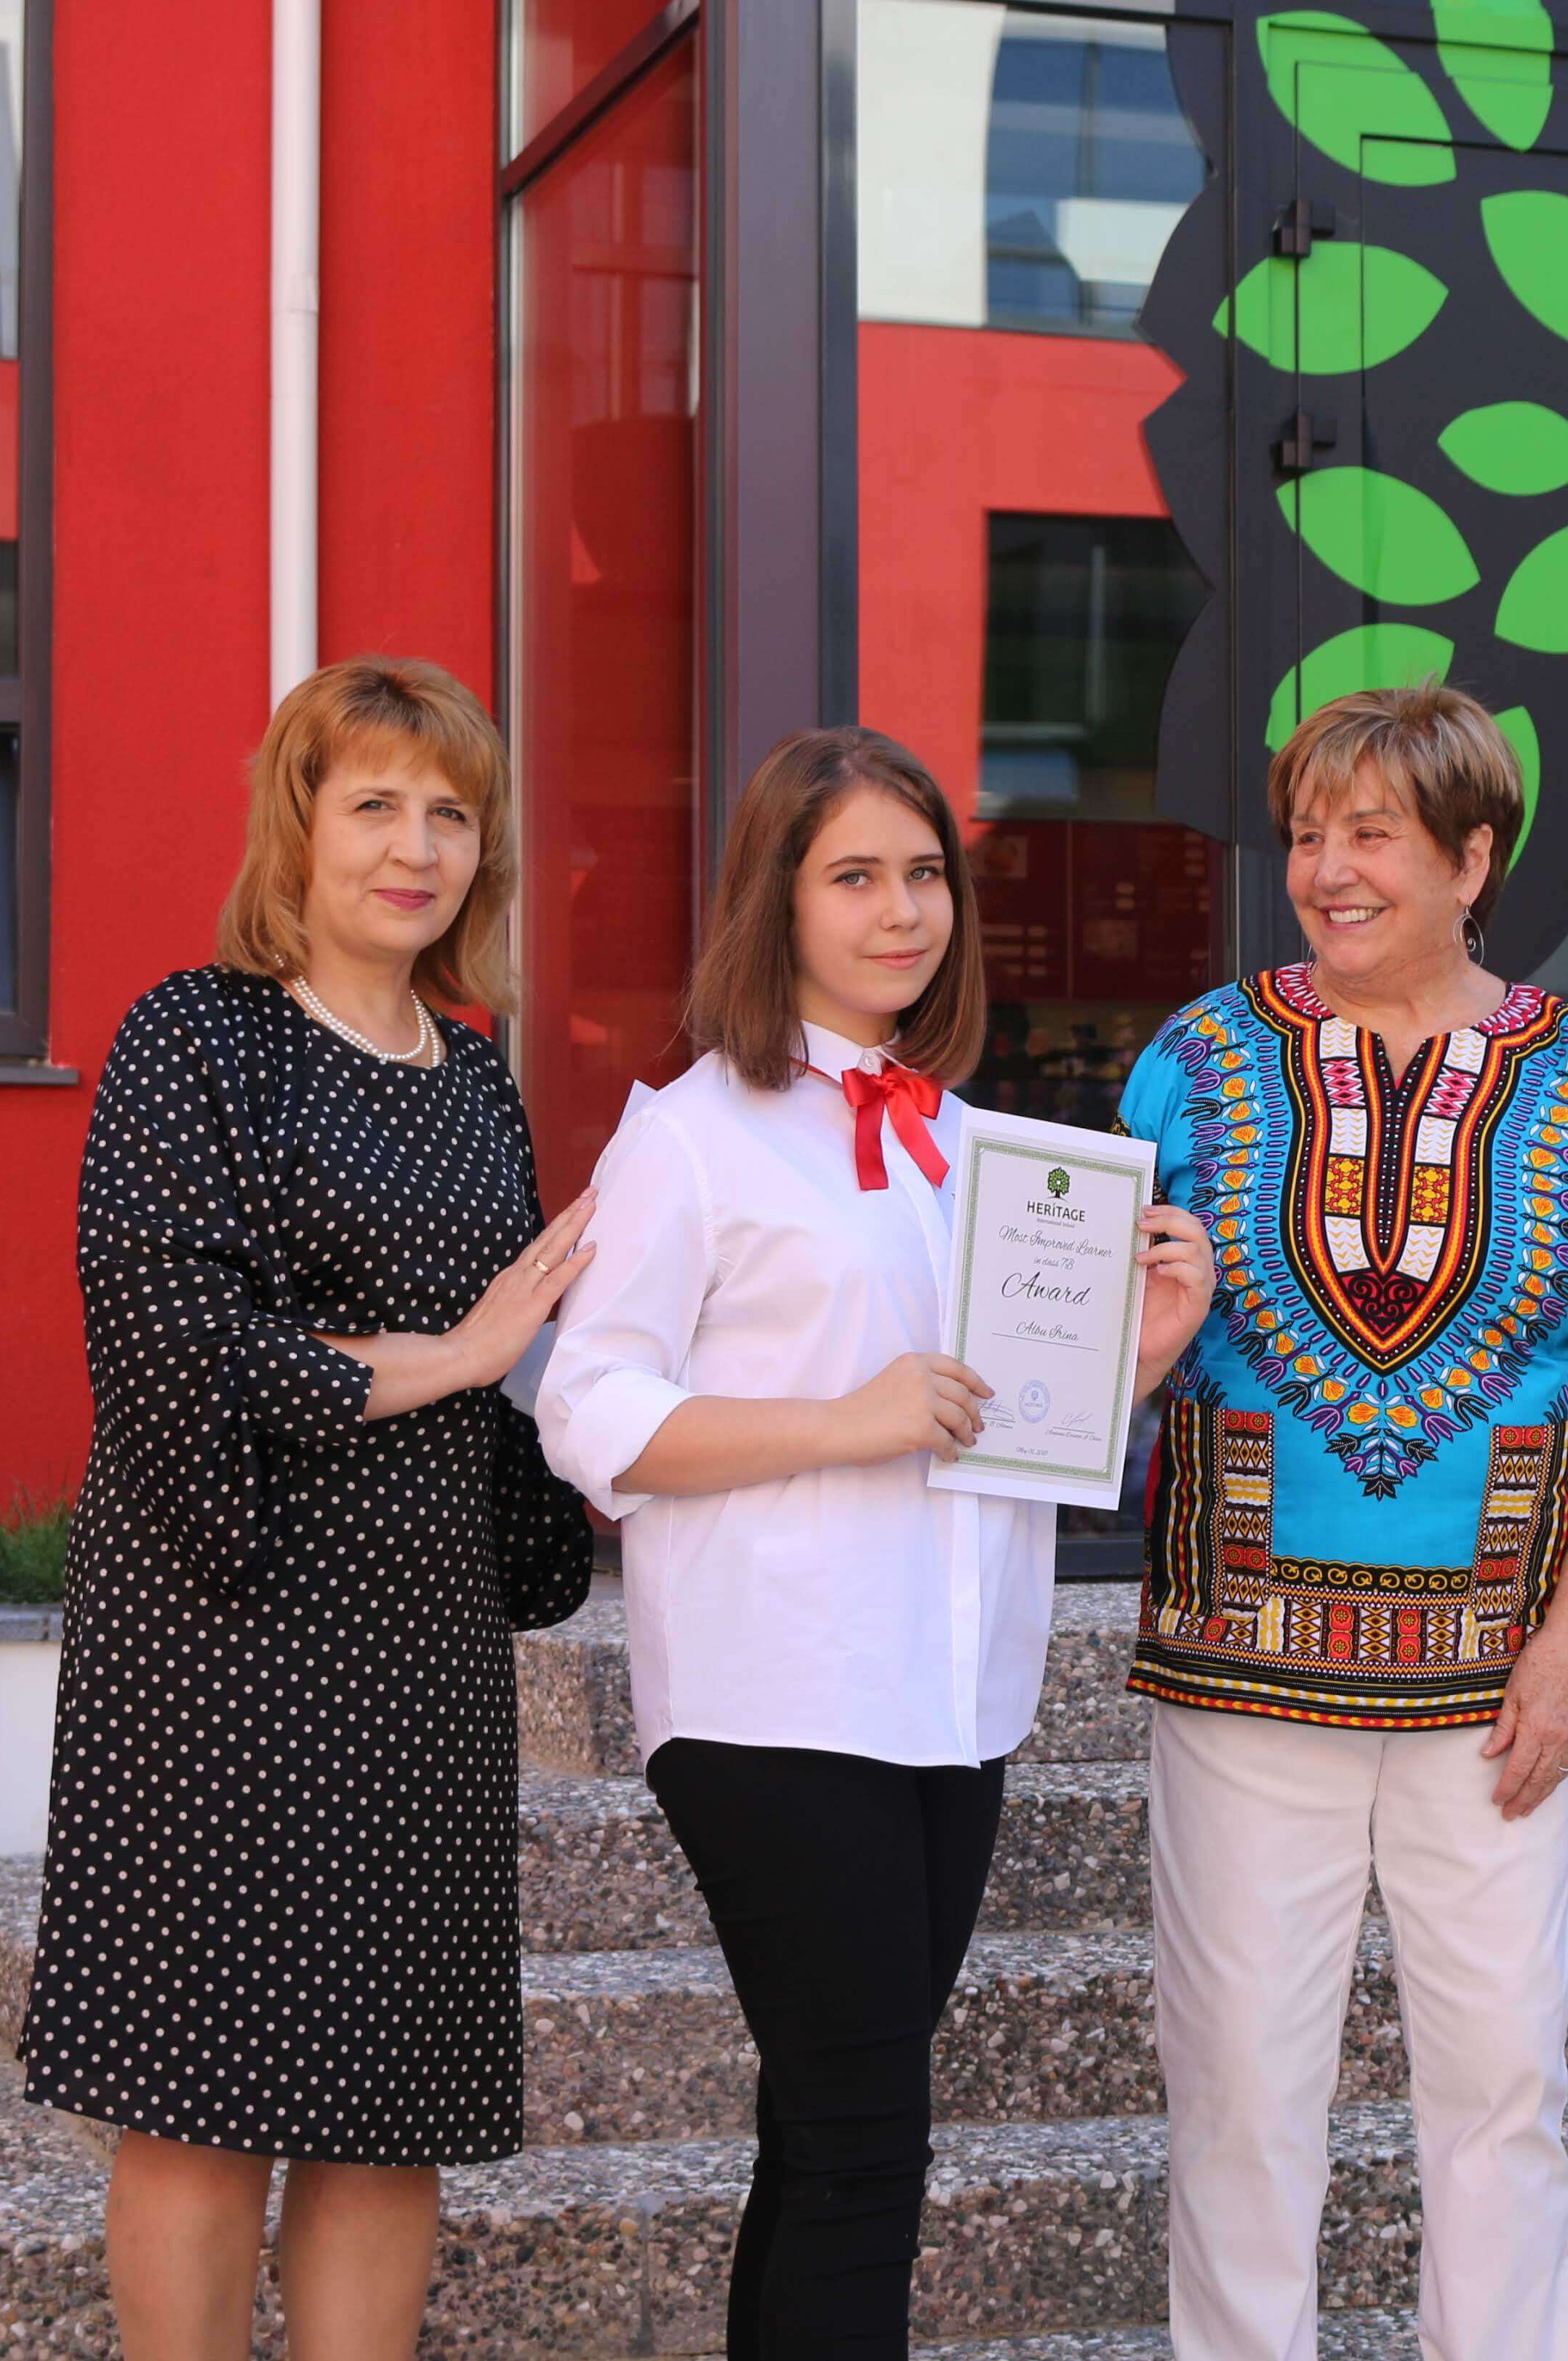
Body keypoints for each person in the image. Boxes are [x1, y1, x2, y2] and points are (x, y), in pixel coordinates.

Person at [534, 725, 1214, 2359]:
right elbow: (588, 1411)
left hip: (952, 1703)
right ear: (775, 898)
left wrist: (1138, 1353)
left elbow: (1002, 1430)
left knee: (823, 2137)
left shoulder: (977, 1149)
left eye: (923, 873)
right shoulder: (690, 1134)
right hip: (777, 1698)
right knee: (864, 2149)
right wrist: (846, 1417)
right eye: (853, 875)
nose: (901, 910)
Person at [1115, 683, 1568, 2361]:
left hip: (1499, 1695)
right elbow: (1069, 1354)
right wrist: (1132, 1347)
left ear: (1471, 858)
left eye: (1372, 833)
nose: (1328, 870)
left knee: (1502, 2095)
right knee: (1238, 2101)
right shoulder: (1188, 1063)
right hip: (1240, 1678)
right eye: (1308, 833)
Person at [20, 657, 599, 2360]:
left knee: (387, 2107)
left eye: (451, 814)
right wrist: (462, 1353)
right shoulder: (194, 1036)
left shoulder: (477, 1077)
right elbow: (173, 1339)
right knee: (199, 2099)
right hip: (221, 1626)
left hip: (420, 1642)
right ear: (299, 824)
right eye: (376, 805)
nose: (416, 847)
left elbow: (517, 1363)